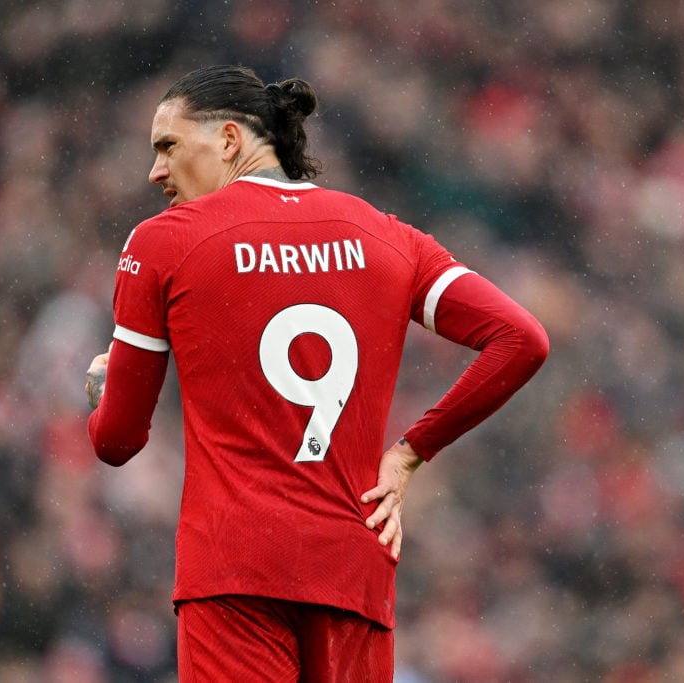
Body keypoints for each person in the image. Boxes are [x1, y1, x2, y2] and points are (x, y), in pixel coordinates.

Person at [84, 65, 549, 682]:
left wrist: (101, 390)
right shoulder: (388, 237)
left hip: (234, 570)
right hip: (353, 565)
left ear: (228, 139)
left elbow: (117, 441)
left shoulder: (163, 243)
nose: (156, 172)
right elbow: (521, 339)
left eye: (167, 145)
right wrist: (411, 452)